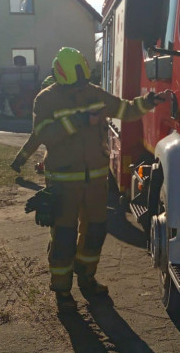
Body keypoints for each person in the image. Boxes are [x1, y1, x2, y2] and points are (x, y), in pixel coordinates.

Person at [18, 47, 168, 311]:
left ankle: (87, 277)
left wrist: (149, 101)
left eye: (82, 81)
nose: (79, 88)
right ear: (62, 75)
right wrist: (81, 120)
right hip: (63, 181)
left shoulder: (94, 93)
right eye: (74, 84)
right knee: (64, 234)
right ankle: (62, 290)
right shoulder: (46, 99)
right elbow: (45, 134)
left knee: (96, 229)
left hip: (96, 180)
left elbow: (125, 109)